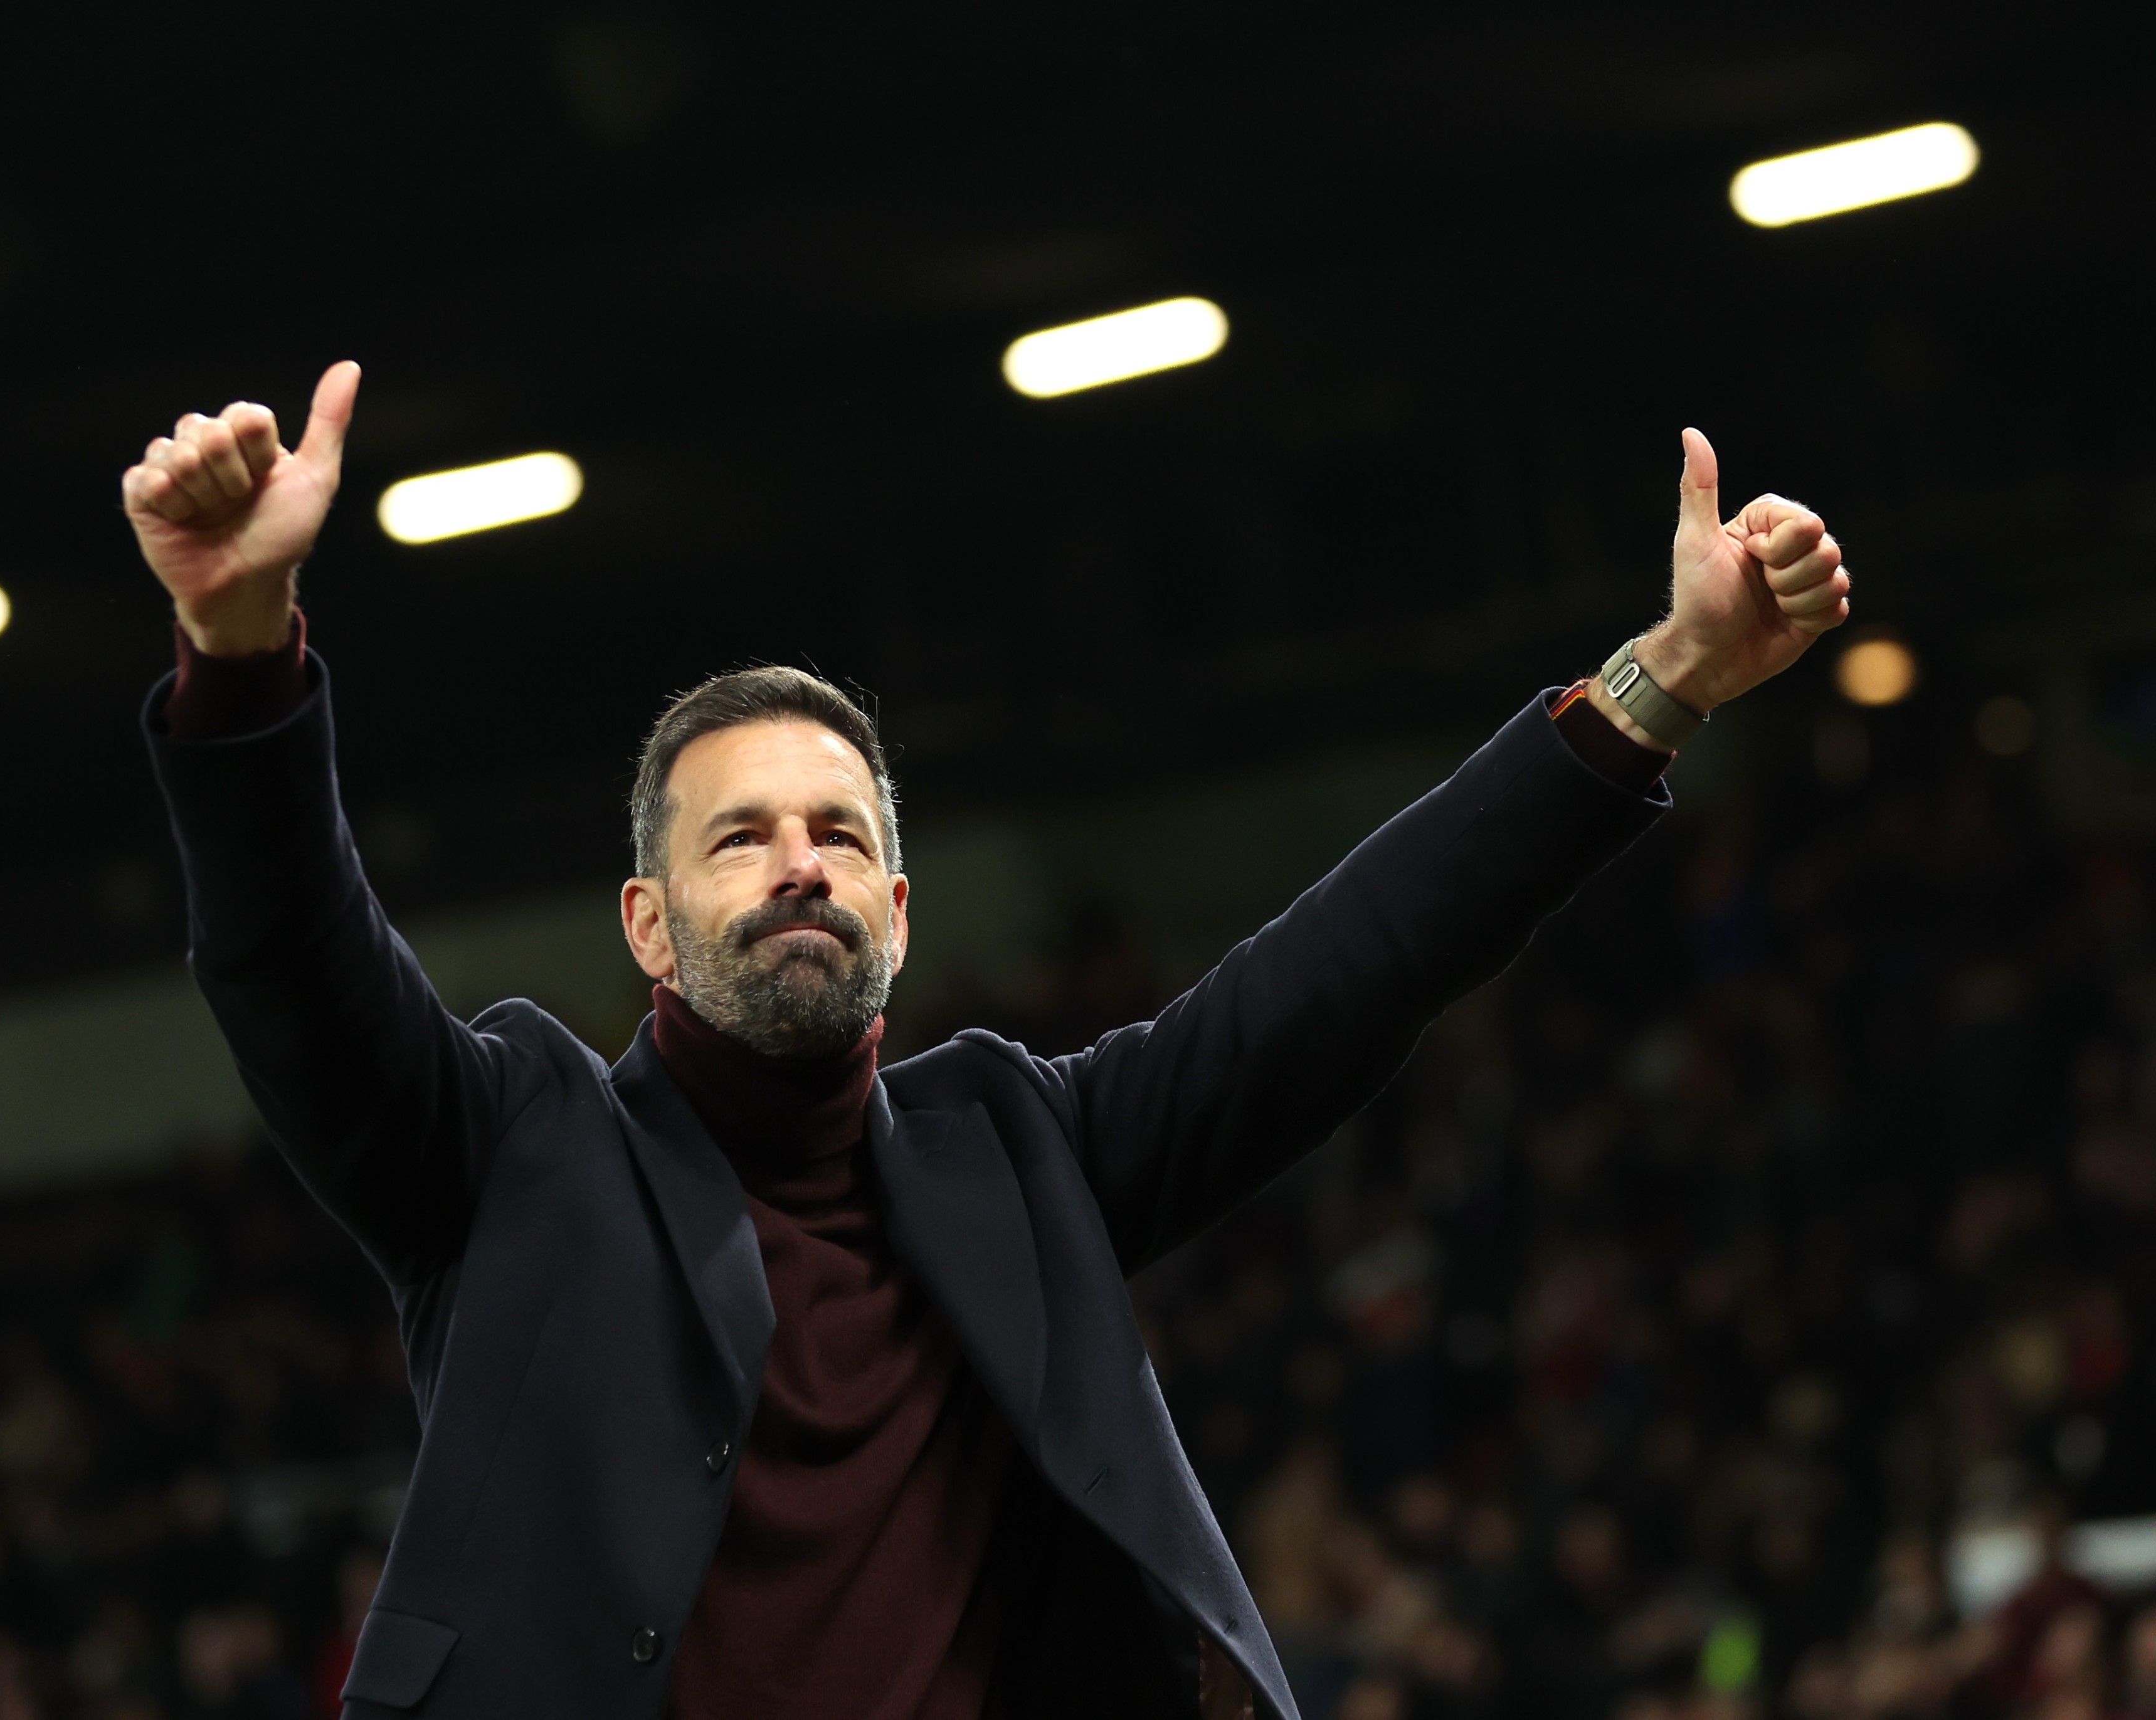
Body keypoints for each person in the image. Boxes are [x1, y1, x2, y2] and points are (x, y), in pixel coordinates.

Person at [120, 361, 1851, 1719]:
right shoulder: (507, 1149)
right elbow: (294, 968)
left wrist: (1664, 680)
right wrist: (237, 645)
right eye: (740, 838)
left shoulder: (1025, 1149)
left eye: (841, 835)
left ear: (897, 912)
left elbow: (1348, 973)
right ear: (645, 925)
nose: (801, 861)